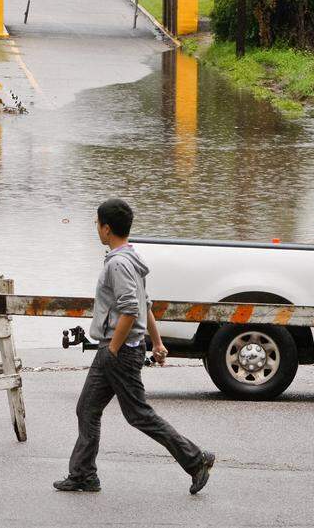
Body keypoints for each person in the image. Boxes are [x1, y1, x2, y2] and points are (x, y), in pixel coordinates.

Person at [54, 198, 214, 494]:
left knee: (138, 414)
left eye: (97, 224)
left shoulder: (119, 264)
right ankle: (83, 474)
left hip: (119, 350)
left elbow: (130, 309)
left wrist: (112, 349)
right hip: (119, 348)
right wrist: (158, 342)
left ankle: (196, 459)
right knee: (87, 408)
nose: (96, 229)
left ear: (107, 228)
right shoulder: (130, 258)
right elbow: (146, 305)